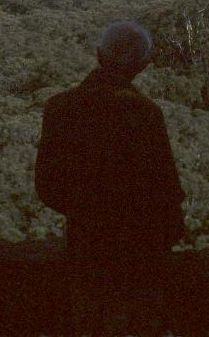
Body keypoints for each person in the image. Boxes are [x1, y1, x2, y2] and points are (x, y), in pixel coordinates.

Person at [35, 20, 186, 336]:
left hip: (85, 247)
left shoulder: (59, 107)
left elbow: (48, 187)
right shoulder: (146, 114)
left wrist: (88, 211)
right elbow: (167, 192)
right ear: (143, 66)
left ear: (99, 55)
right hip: (139, 254)